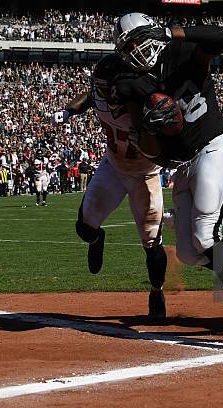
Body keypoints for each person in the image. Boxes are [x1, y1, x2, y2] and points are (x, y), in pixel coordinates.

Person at [112, 13, 223, 275]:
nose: (134, 52)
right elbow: (155, 155)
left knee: (205, 237)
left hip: (211, 146)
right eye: (127, 49)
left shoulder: (179, 52)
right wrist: (149, 127)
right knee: (188, 253)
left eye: (136, 42)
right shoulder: (131, 84)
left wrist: (175, 33)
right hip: (181, 165)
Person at [57, 53, 167, 319]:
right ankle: (97, 239)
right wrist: (68, 111)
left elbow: (161, 146)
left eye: (106, 87)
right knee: (84, 227)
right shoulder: (102, 95)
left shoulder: (146, 104)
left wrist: (146, 133)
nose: (101, 92)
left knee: (151, 242)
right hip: (114, 166)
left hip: (145, 175)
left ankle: (156, 291)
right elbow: (89, 97)